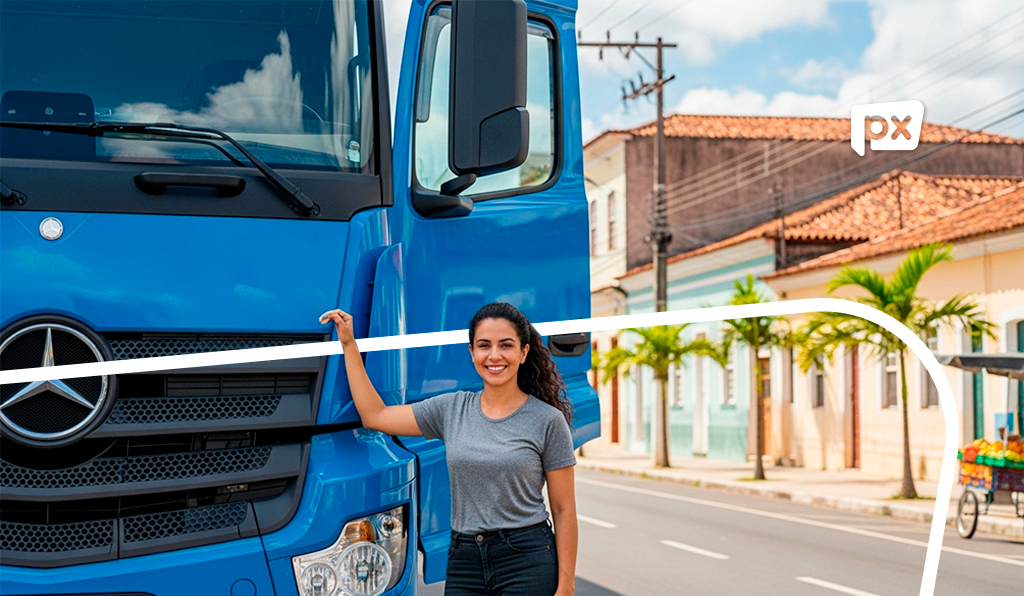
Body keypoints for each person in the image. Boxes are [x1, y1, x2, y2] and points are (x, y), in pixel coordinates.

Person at [320, 302, 578, 596]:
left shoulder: (547, 420)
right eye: (484, 345)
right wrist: (349, 344)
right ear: (472, 353)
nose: (494, 355)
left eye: (506, 345)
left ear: (523, 352)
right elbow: (375, 416)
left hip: (526, 559)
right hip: (465, 560)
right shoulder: (451, 409)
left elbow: (564, 508)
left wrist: (566, 586)